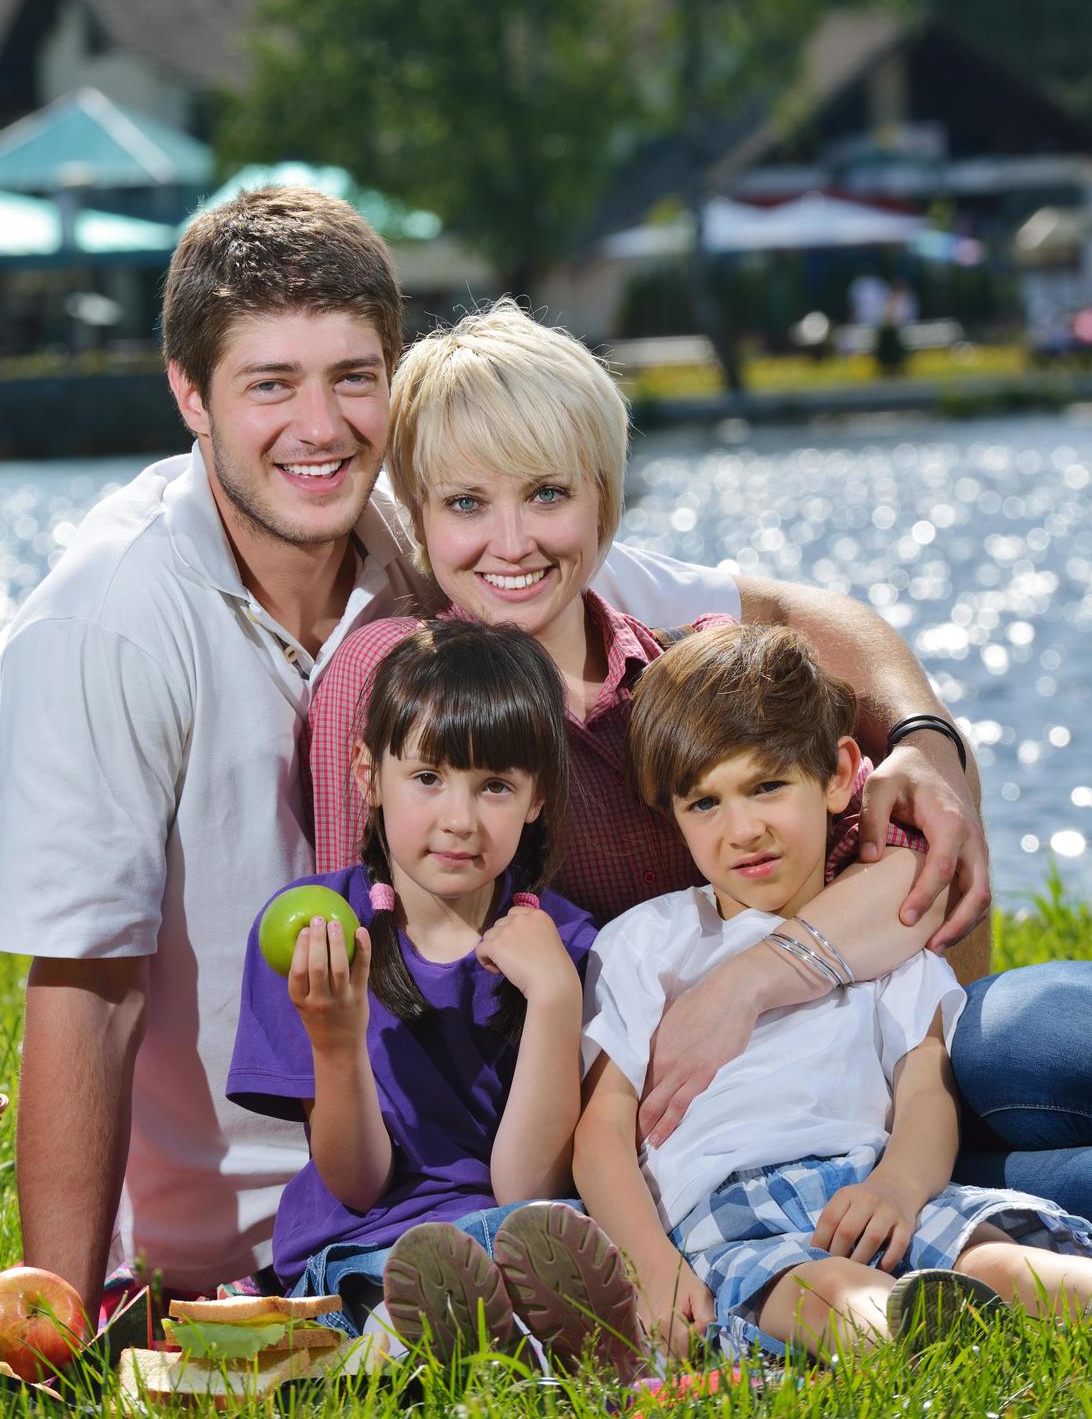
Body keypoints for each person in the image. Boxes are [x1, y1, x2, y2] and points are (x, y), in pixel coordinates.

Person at [0, 209, 987, 1314]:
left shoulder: (430, 531)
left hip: (813, 1090)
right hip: (359, 1187)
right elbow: (87, 976)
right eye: (270, 382)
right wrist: (51, 1315)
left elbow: (804, 616)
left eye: (353, 377)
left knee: (1041, 1039)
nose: (319, 425)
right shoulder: (118, 620)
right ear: (190, 392)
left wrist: (923, 744)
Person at [308, 301, 1092, 1213]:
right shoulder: (405, 688)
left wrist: (747, 983)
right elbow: (371, 938)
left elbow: (917, 867)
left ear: (606, 495)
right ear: (422, 516)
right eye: (467, 503)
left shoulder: (690, 671)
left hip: (878, 1066)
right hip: (695, 1161)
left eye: (549, 494)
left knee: (1040, 1034)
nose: (512, 542)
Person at [573, 623, 1092, 1361]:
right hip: (729, 1206)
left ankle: (1031, 1300)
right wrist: (651, 1264)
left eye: (767, 786)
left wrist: (899, 1188)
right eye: (704, 804)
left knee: (998, 1258)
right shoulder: (644, 944)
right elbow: (600, 1135)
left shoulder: (879, 944)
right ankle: (912, 1337)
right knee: (817, 1292)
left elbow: (925, 1094)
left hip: (871, 1186)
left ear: (841, 774)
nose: (742, 829)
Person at [227, 619, 638, 1368]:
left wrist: (552, 999)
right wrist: (335, 1039)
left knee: (538, 1243)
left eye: (495, 788)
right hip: (362, 1250)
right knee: (415, 1279)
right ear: (366, 778)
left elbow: (524, 1187)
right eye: (428, 778)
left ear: (537, 798)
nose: (459, 819)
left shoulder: (574, 948)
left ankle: (486, 1340)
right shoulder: (319, 933)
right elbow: (355, 1185)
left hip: (517, 1240)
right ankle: (436, 1337)